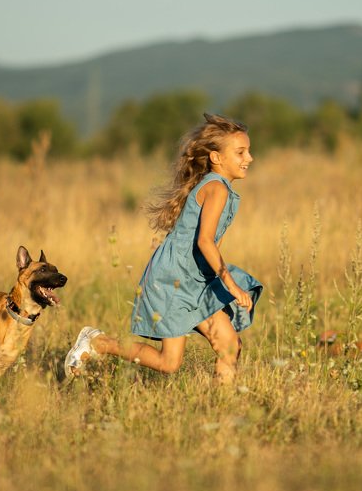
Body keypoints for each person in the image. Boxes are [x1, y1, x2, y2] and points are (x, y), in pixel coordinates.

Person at [65, 113, 263, 383]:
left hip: (197, 277)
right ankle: (100, 342)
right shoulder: (217, 189)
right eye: (241, 152)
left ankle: (223, 410)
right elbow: (205, 241)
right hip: (174, 278)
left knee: (228, 345)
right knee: (169, 363)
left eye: (248, 151)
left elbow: (213, 243)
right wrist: (231, 285)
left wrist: (217, 279)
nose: (249, 158)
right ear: (216, 158)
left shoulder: (222, 189)